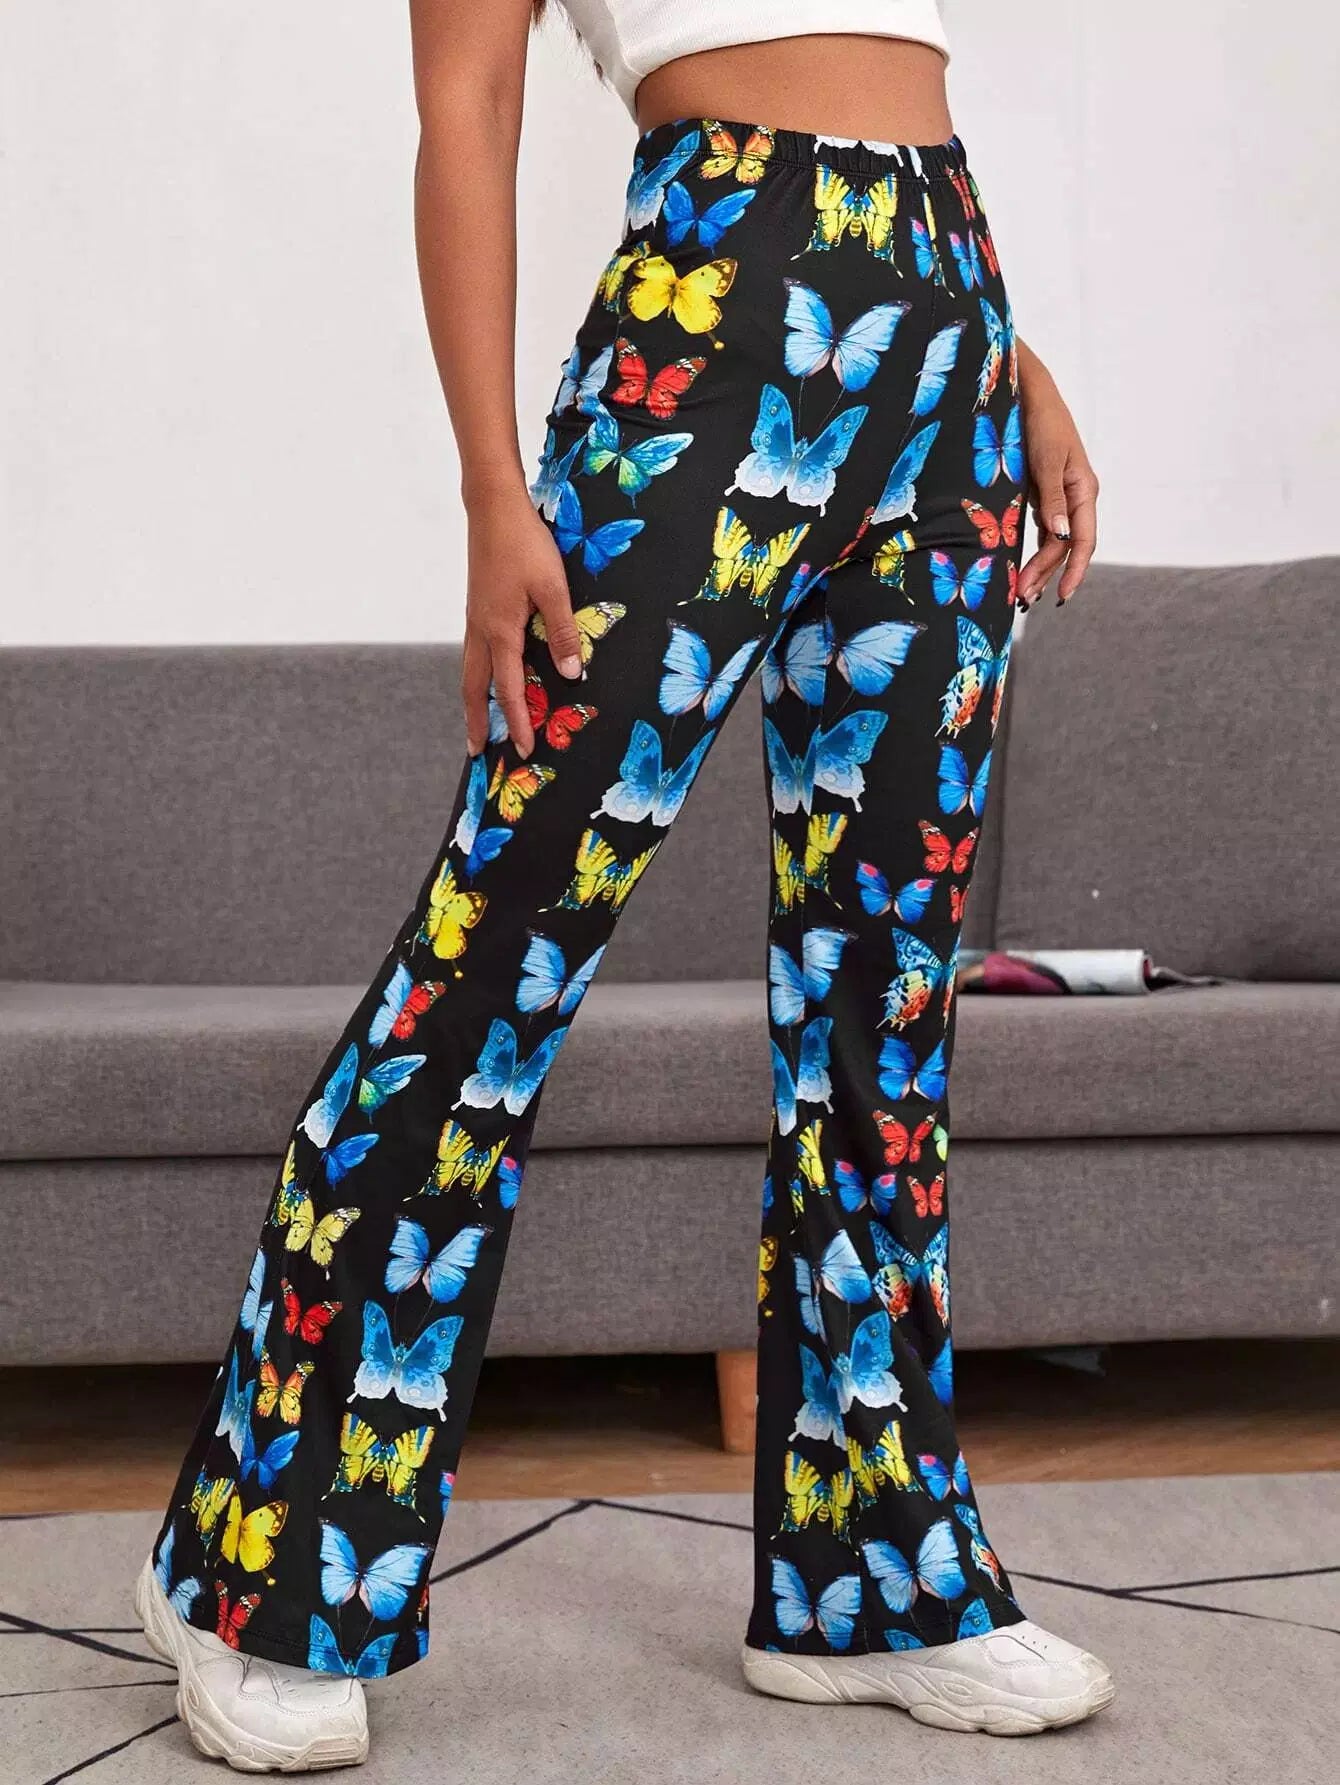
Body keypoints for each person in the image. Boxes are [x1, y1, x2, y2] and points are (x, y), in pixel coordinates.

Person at [134, 0, 1110, 1769]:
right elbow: (467, 101)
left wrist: (1000, 346)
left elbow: (879, 76)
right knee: (491, 961)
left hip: (948, 316)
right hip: (715, 308)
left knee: (884, 1015)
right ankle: (253, 1571)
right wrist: (492, 494)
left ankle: (874, 1584)